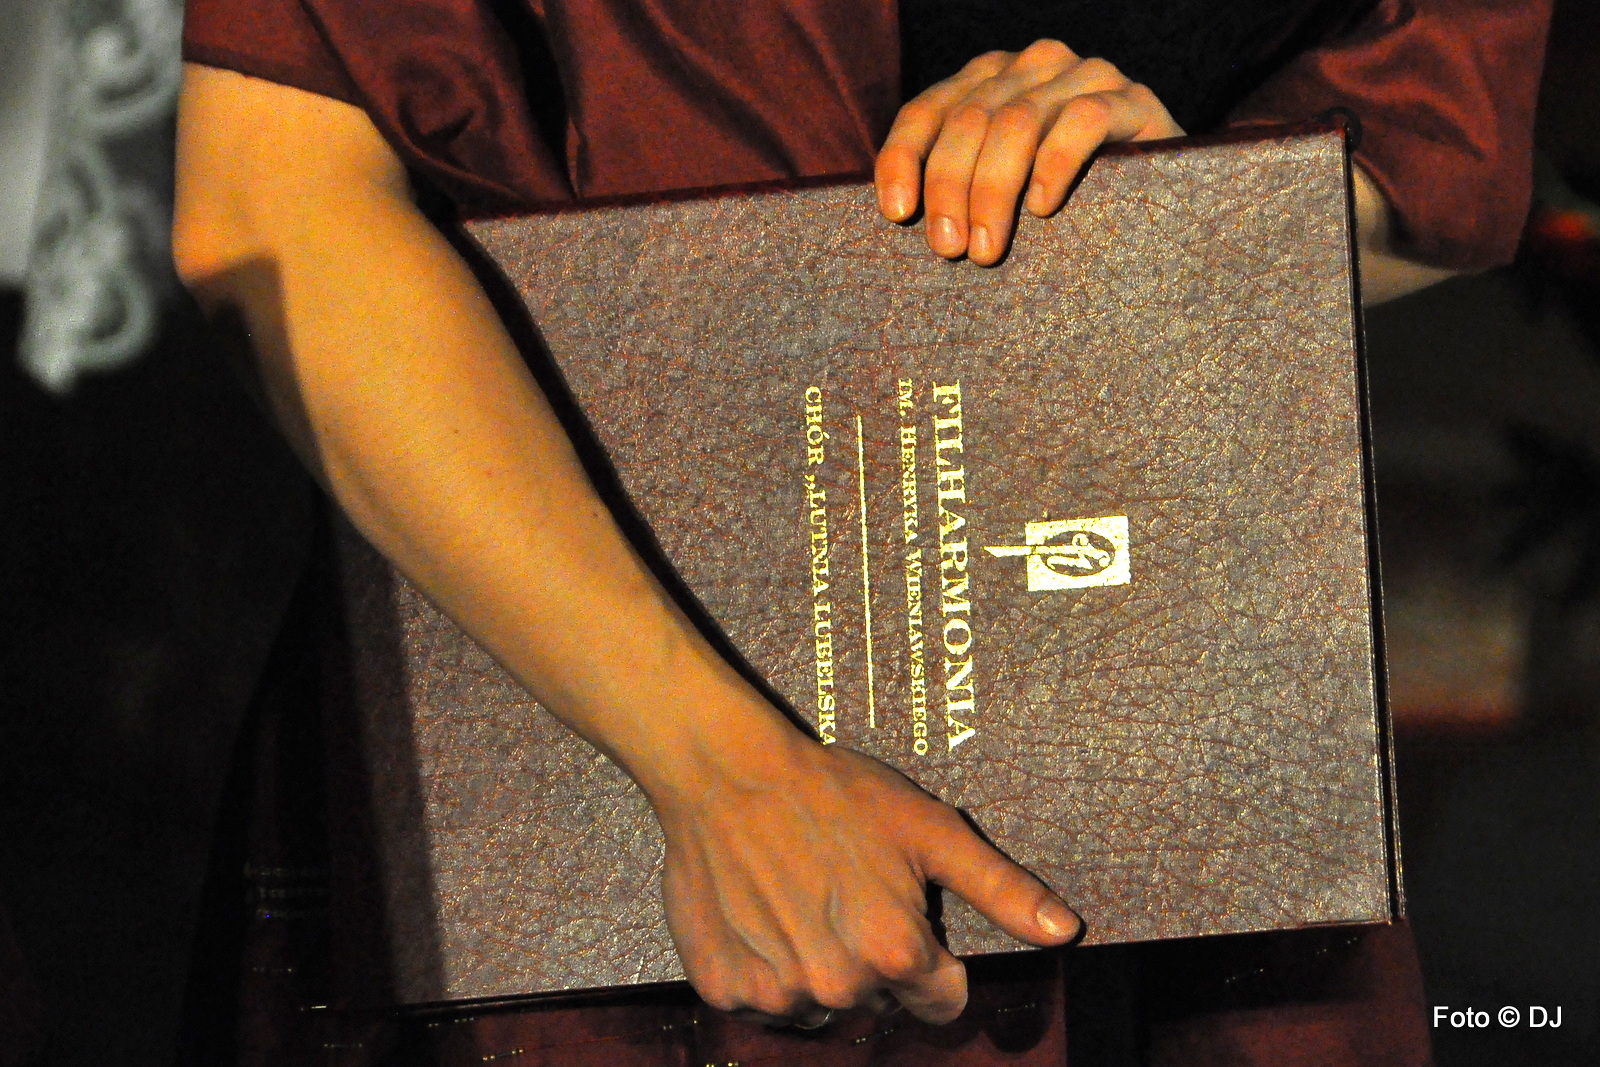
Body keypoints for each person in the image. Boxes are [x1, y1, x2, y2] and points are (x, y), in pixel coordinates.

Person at [172, 0, 1549, 1061]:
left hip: (1144, 747)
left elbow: (1431, 153)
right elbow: (271, 203)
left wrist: (1180, 206)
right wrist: (715, 769)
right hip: (588, 740)